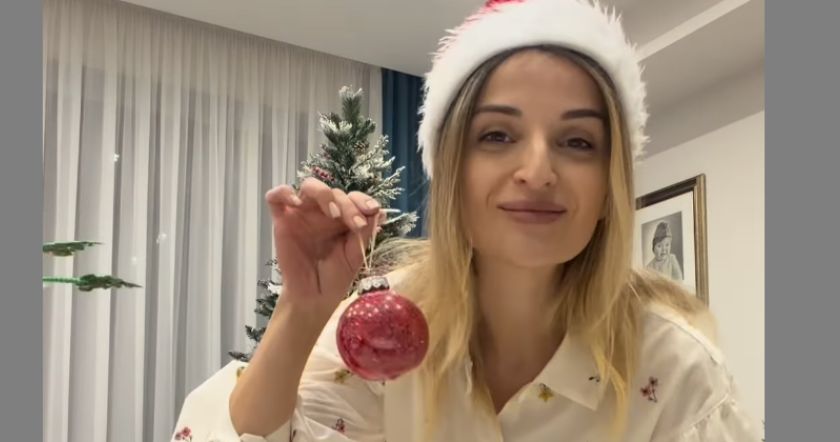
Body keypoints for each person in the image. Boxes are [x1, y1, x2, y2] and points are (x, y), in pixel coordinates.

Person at [172, 0, 762, 440]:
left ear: (611, 185)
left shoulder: (675, 370)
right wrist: (301, 312)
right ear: (452, 170)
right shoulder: (382, 333)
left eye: (578, 142)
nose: (538, 171)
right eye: (497, 135)